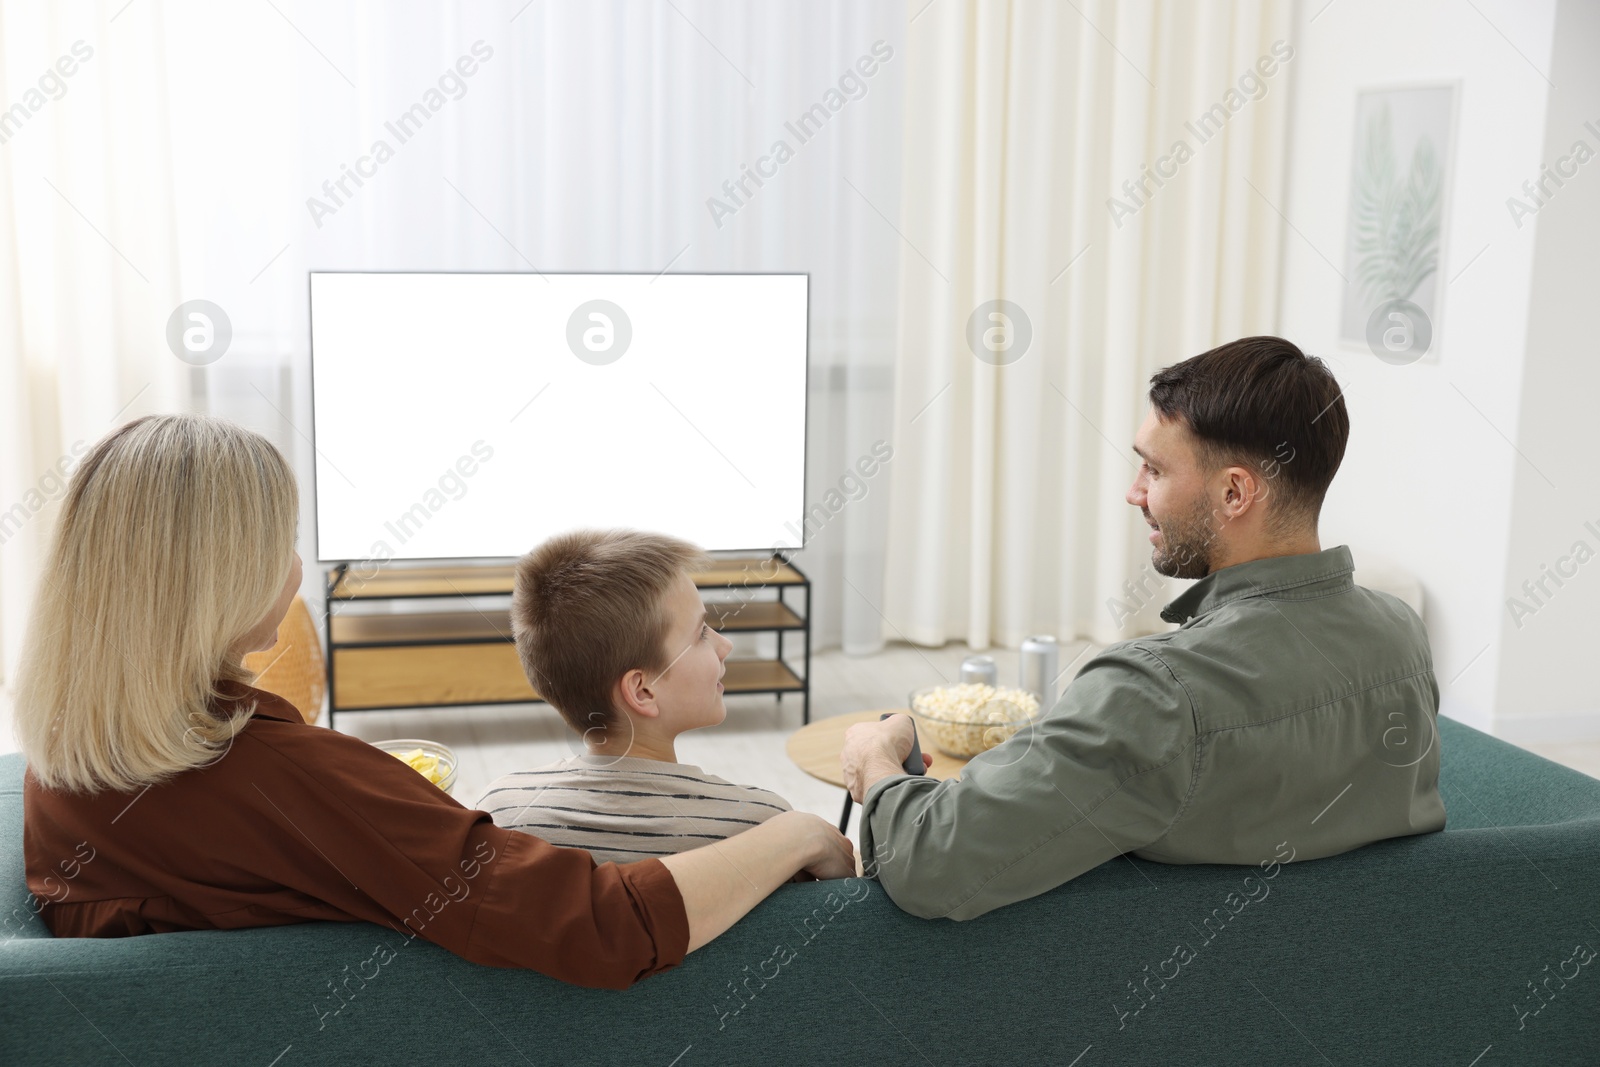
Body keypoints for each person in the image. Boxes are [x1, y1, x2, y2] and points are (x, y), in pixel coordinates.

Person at [17, 415, 854, 989]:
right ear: (222, 583)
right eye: (283, 543)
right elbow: (600, 926)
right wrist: (797, 830)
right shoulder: (290, 778)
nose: (297, 565)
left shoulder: (68, 753)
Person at [840, 335, 1446, 920]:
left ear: (1235, 492)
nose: (1134, 494)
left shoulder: (1154, 694)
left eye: (1153, 471)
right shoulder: (1402, 637)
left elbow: (929, 859)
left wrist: (876, 762)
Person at [476, 529, 793, 864]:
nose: (724, 645)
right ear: (642, 691)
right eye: (701, 633)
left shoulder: (500, 816)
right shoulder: (766, 828)